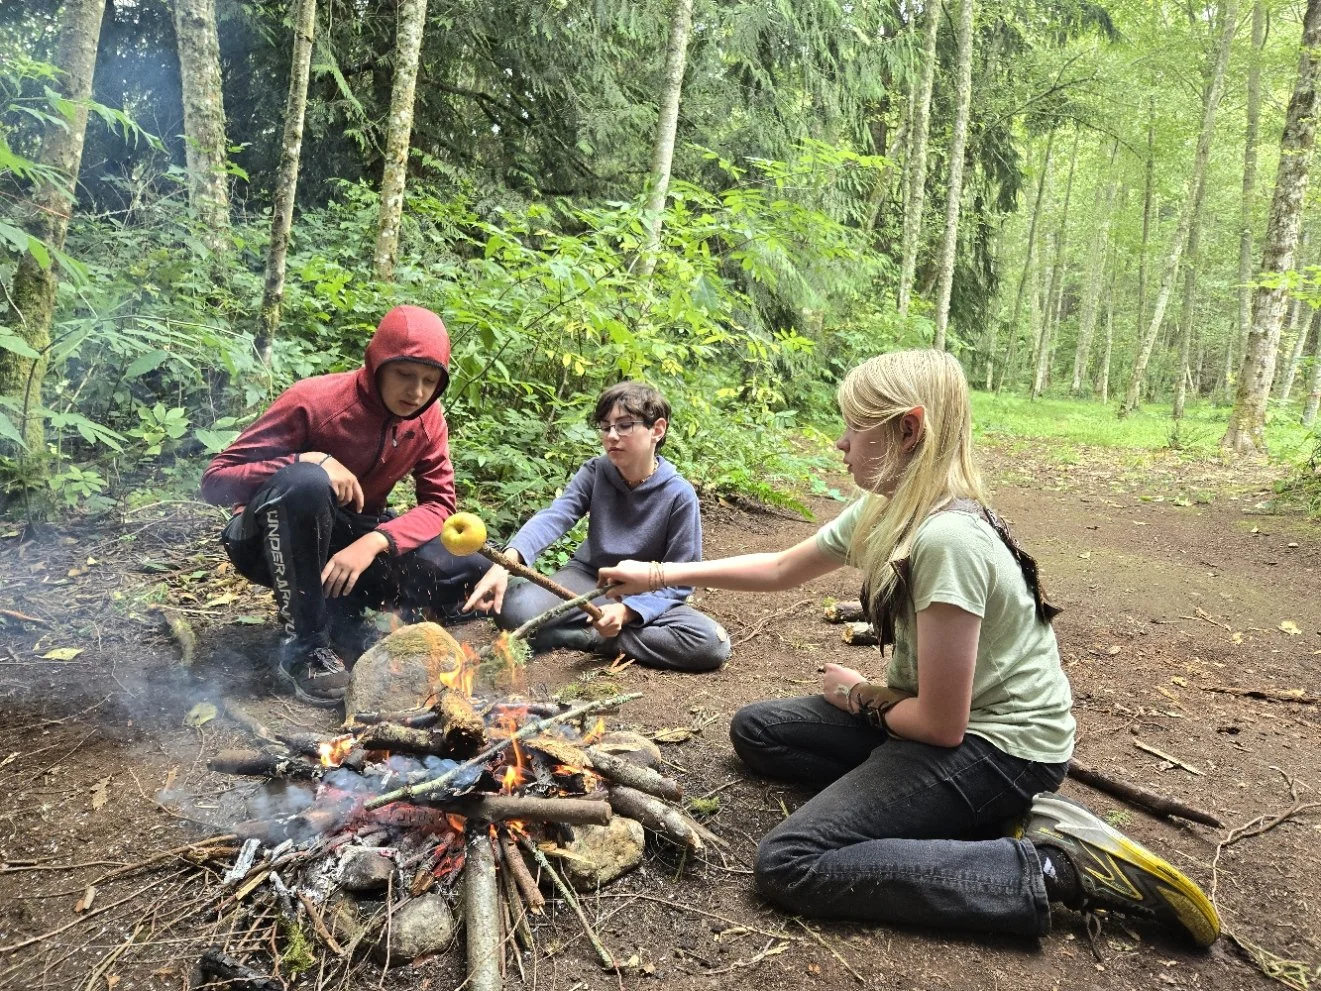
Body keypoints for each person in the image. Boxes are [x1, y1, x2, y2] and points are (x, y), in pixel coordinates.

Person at [599, 350, 1219, 946]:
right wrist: (657, 574)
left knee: (790, 862)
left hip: (1001, 747)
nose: (841, 443)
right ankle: (952, 817)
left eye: (854, 428)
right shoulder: (889, 505)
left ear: (908, 429)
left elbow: (942, 727)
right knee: (759, 731)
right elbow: (783, 567)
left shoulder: (949, 538)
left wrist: (858, 695)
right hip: (937, 721)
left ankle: (1058, 868)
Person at [201, 305, 485, 706]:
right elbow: (215, 481)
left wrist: (375, 542)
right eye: (404, 374)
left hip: (350, 538)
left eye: (429, 380)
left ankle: (348, 616)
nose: (416, 392)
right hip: (266, 541)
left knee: (473, 567)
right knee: (306, 483)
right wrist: (305, 459)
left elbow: (440, 505)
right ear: (376, 365)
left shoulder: (427, 419)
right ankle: (306, 645)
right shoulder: (316, 401)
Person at [463, 381, 729, 672]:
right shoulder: (595, 471)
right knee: (513, 607)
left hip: (646, 593)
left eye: (625, 425)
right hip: (589, 579)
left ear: (657, 429)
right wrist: (506, 562)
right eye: (605, 427)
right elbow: (556, 515)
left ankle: (590, 637)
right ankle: (585, 624)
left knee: (710, 643)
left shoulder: (679, 495)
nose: (612, 436)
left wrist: (627, 612)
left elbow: (679, 579)